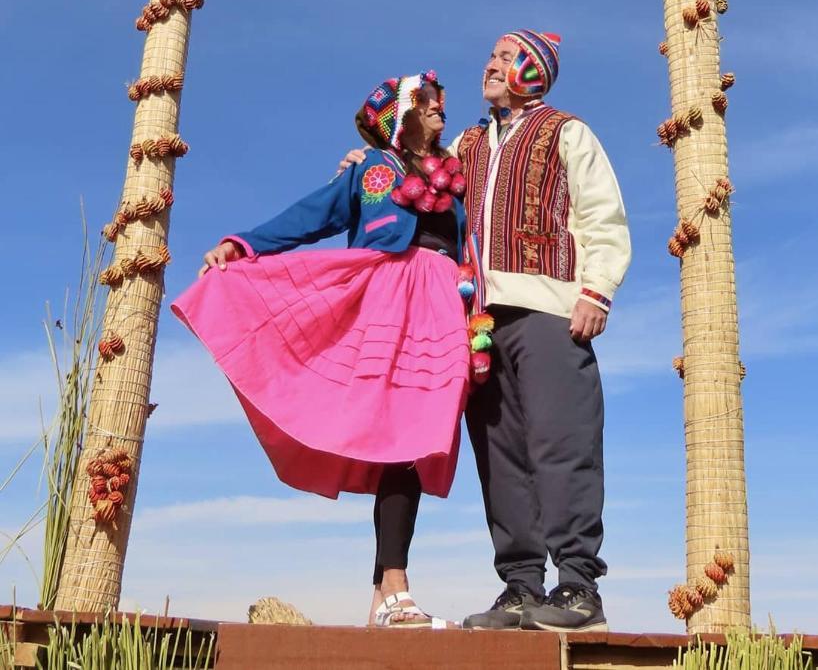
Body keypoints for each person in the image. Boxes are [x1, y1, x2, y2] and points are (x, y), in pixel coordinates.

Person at [340, 31, 631, 632]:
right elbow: (411, 165)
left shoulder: (566, 131)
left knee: (562, 441)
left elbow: (601, 214)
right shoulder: (468, 145)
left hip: (552, 308)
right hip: (474, 321)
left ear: (533, 69)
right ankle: (521, 586)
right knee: (498, 457)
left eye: (503, 58)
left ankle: (578, 586)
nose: (490, 66)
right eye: (491, 58)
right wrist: (363, 159)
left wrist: (596, 290)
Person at [172, 71, 473, 629]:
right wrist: (240, 245)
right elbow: (311, 216)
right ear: (400, 114)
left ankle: (385, 595)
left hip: (440, 307)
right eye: (428, 102)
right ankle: (395, 589)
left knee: (415, 440)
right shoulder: (370, 170)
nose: (440, 110)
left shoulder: (456, 179)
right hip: (384, 298)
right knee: (398, 439)